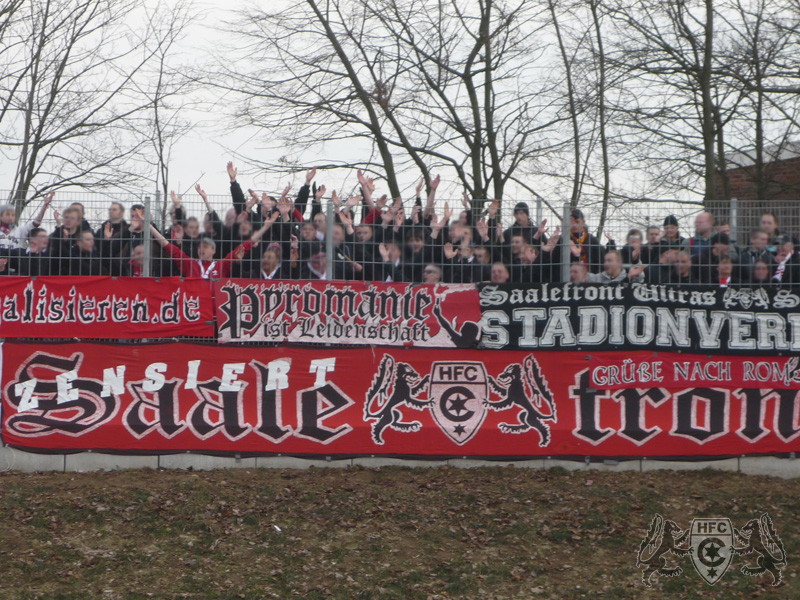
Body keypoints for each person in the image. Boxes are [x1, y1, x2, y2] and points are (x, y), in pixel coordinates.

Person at [150, 220, 273, 280]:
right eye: (200, 247)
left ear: (213, 251)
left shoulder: (221, 265)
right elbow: (168, 246)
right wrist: (148, 225)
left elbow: (245, 246)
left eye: (205, 247)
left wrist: (265, 228)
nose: (201, 250)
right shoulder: (190, 263)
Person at [569, 209, 604, 273]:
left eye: (577, 222)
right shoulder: (564, 239)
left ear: (583, 222)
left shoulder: (593, 240)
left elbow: (599, 262)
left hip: (590, 277)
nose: (574, 225)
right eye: (571, 222)